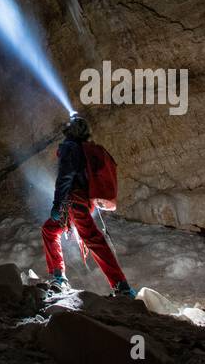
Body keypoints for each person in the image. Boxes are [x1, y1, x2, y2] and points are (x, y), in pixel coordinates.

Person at [41, 115, 136, 297]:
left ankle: (121, 286)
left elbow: (65, 178)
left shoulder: (69, 148)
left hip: (73, 203)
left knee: (92, 239)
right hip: (83, 202)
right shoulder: (86, 149)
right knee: (50, 230)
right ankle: (59, 276)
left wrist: (57, 204)